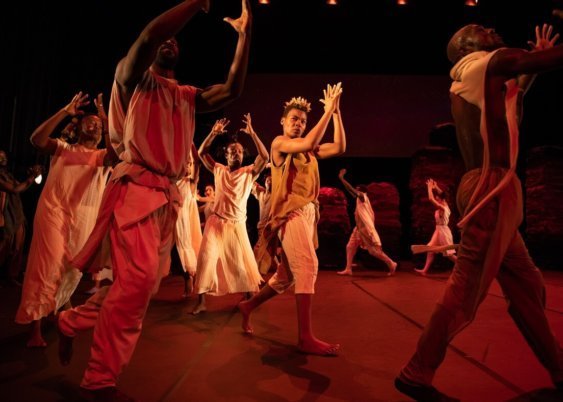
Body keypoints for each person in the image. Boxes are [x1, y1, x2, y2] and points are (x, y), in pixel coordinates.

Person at [56, 0, 252, 398]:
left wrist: (245, 36)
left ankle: (72, 321)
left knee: (137, 285)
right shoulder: (131, 78)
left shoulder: (186, 95)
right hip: (136, 190)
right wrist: (196, 3)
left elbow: (232, 89)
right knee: (140, 282)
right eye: (168, 38)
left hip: (167, 197)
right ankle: (99, 378)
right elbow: (149, 37)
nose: (171, 42)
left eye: (177, 42)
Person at [395, 24, 563, 401]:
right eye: (477, 29)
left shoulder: (479, 76)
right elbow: (538, 62)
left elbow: (515, 91)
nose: (487, 27)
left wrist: (533, 64)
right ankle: (416, 372)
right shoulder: (483, 63)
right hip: (492, 188)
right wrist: (538, 59)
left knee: (528, 286)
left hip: (491, 189)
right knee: (465, 289)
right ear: (464, 47)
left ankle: (559, 369)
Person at [239, 84, 345, 356]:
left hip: (308, 212)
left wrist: (335, 112)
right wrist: (327, 110)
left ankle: (248, 306)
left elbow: (340, 146)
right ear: (283, 121)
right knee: (308, 266)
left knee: (286, 276)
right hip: (290, 214)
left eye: (303, 121)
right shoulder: (279, 143)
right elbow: (308, 142)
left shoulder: (309, 151)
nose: (298, 123)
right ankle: (305, 338)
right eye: (294, 119)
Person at [15, 92, 114, 348]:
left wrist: (106, 118)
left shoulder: (101, 157)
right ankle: (35, 328)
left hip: (84, 219)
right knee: (45, 267)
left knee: (71, 270)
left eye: (99, 125)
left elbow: (117, 153)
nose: (95, 126)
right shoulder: (62, 148)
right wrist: (64, 111)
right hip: (52, 213)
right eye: (90, 122)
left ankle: (57, 306)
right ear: (78, 127)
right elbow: (36, 139)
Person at [192, 115, 268, 314]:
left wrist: (253, 134)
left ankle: (250, 299)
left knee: (241, 263)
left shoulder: (249, 173)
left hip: (237, 224)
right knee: (206, 258)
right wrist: (213, 133)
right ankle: (201, 302)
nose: (237, 154)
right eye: (233, 152)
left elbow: (265, 157)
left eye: (240, 152)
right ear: (226, 155)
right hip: (216, 222)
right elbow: (201, 153)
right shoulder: (219, 170)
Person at [336, 169, 397, 276]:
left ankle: (391, 263)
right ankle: (348, 268)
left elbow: (351, 189)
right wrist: (342, 180)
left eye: (357, 189)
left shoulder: (363, 197)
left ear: (361, 191)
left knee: (373, 251)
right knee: (350, 247)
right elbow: (350, 190)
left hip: (365, 229)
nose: (355, 190)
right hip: (358, 229)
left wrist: (342, 178)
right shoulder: (359, 199)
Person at [0, 151, 42, 286]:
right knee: (4, 246)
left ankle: (11, 275)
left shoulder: (8, 175)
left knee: (17, 246)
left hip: (16, 214)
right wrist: (32, 177)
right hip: (5, 214)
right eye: (0, 157)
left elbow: (21, 186)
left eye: (4, 156)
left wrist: (32, 176)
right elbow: (15, 189)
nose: (3, 158)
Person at [175, 144, 203, 297]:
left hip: (183, 222)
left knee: (184, 249)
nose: (189, 166)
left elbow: (197, 161)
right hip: (170, 218)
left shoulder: (190, 183)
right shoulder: (173, 181)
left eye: (190, 163)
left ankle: (190, 279)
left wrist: (190, 143)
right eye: (186, 163)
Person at [414, 178, 457, 275]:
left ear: (441, 199)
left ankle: (463, 266)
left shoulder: (443, 208)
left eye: (438, 198)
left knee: (449, 254)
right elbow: (442, 194)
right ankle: (424, 271)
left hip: (444, 232)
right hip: (438, 230)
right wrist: (436, 186)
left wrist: (429, 188)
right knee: (430, 249)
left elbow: (431, 199)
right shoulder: (444, 203)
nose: (436, 198)